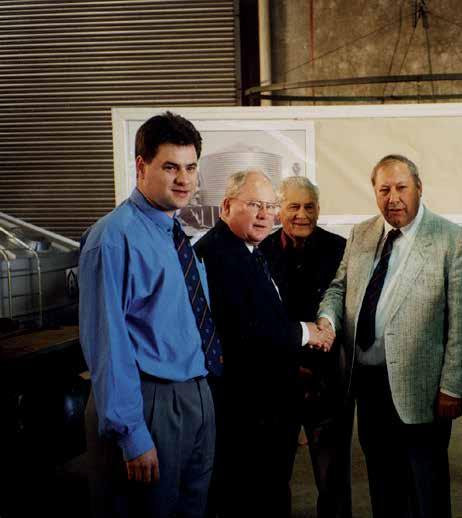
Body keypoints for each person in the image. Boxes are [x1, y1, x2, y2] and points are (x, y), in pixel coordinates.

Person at [317, 154, 462, 518]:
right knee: (383, 487)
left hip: (424, 389)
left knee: (426, 492)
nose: (393, 198)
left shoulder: (452, 240)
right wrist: (327, 319)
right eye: (384, 189)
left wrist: (453, 386)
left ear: (419, 188)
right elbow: (339, 288)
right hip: (368, 384)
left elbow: (460, 322)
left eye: (401, 187)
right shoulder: (361, 234)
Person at [79, 111, 217, 518]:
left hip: (195, 395)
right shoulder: (113, 238)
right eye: (171, 167)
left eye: (191, 167)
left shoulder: (175, 233)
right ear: (141, 166)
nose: (184, 179)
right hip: (148, 402)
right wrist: (132, 433)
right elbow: (106, 342)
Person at [193, 170, 332, 517]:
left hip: (265, 405)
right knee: (251, 496)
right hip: (247, 409)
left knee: (269, 492)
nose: (264, 214)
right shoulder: (221, 253)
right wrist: (307, 332)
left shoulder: (246, 249)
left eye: (270, 206)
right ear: (227, 206)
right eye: (255, 205)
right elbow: (248, 331)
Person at [259, 176, 352, 518]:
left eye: (309, 207)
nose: (302, 214)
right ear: (279, 210)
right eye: (294, 206)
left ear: (318, 209)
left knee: (333, 480)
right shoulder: (261, 251)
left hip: (327, 381)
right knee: (273, 478)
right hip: (277, 383)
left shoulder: (341, 249)